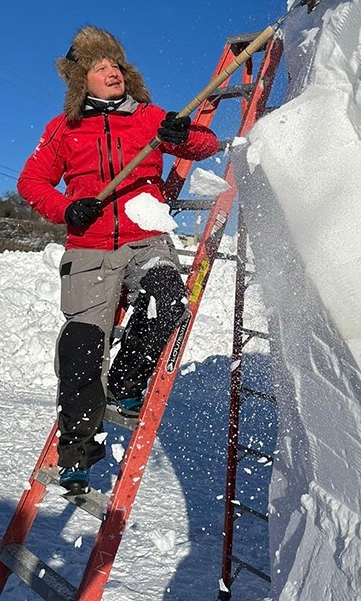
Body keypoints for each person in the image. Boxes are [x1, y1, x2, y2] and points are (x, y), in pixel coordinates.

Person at [17, 25, 219, 494]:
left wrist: (182, 132)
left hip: (144, 236)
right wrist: (67, 208)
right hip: (89, 248)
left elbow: (206, 144)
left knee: (167, 299)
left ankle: (127, 383)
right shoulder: (64, 130)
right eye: (99, 67)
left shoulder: (149, 118)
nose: (112, 72)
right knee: (80, 348)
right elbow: (31, 183)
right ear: (80, 81)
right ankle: (77, 453)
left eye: (116, 66)